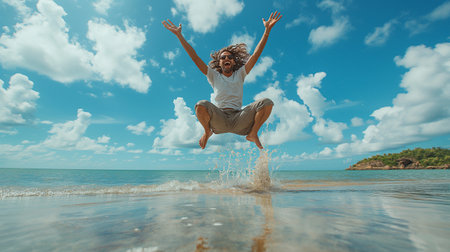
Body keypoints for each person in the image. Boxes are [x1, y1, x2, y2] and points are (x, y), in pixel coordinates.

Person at [162, 11, 282, 149]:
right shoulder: (213, 75)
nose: (226, 59)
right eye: (223, 57)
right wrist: (179, 35)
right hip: (220, 119)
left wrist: (266, 31)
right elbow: (194, 57)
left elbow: (256, 54)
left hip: (239, 118)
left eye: (229, 57)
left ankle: (253, 133)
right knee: (200, 105)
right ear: (219, 63)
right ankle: (207, 131)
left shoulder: (240, 73)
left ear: (233, 62)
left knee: (267, 103)